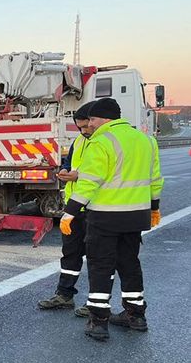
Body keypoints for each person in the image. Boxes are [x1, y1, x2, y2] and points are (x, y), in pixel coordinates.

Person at [59, 97, 163, 341]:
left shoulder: (101, 141)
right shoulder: (147, 141)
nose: (89, 124)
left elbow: (89, 183)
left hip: (105, 217)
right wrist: (154, 208)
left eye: (92, 119)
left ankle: (98, 321)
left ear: (104, 118)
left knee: (101, 266)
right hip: (136, 216)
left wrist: (70, 212)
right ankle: (136, 316)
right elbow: (155, 179)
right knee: (130, 264)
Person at [38, 107, 94, 316]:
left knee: (99, 258)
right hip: (74, 207)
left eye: (87, 126)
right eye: (80, 127)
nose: (84, 131)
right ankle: (64, 294)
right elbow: (70, 162)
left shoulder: (105, 142)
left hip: (98, 208)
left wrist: (78, 176)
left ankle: (96, 303)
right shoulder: (79, 141)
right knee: (70, 253)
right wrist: (64, 169)